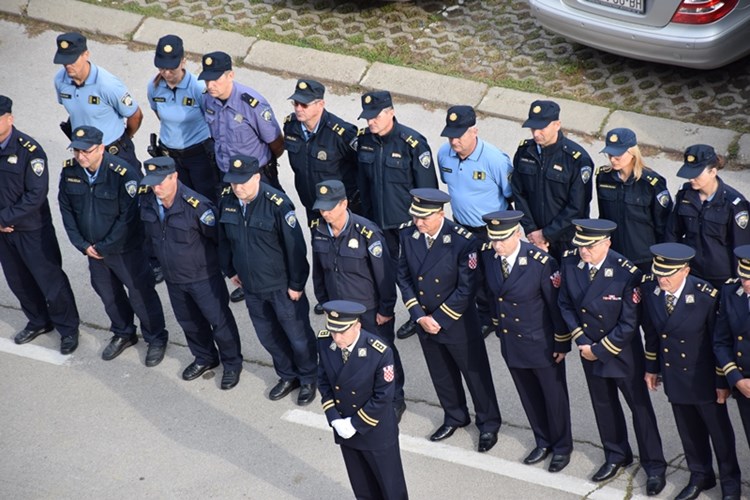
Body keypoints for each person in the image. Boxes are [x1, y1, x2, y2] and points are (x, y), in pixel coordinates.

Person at [557, 219, 667, 495]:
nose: (584, 251)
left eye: (590, 246)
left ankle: (654, 465)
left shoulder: (625, 272)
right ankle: (616, 454)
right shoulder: (571, 263)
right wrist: (581, 340)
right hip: (587, 349)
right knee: (603, 406)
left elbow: (630, 324)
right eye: (581, 245)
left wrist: (598, 349)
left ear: (607, 243)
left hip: (621, 354)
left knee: (640, 410)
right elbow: (565, 304)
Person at [397, 188, 501, 452]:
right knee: (441, 373)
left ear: (440, 214)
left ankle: (488, 424)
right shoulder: (408, 234)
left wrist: (439, 318)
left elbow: (467, 288)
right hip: (425, 321)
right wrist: (419, 317)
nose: (418, 223)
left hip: (457, 323)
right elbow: (404, 277)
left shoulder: (462, 241)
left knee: (475, 375)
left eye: (424, 218)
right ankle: (455, 415)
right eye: (415, 216)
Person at [58, 125, 168, 365]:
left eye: (86, 151)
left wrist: (104, 246)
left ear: (101, 148)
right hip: (93, 250)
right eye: (76, 151)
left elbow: (128, 217)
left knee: (141, 294)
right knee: (108, 294)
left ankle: (156, 337)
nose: (80, 156)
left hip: (125, 250)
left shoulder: (122, 173)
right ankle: (123, 332)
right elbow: (66, 209)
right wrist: (82, 244)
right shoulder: (69, 172)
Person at [642, 243, 741, 500]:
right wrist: (652, 368)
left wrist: (722, 381)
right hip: (674, 374)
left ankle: (730, 483)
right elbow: (653, 334)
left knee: (720, 434)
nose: (661, 279)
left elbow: (717, 341)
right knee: (688, 431)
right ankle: (700, 475)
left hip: (703, 376)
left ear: (685, 271)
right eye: (658, 273)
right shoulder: (653, 292)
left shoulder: (706, 296)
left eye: (667, 274)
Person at [218, 155, 317, 405]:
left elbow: (295, 249)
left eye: (243, 182)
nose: (237, 188)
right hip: (251, 287)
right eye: (233, 183)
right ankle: (287, 375)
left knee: (297, 336)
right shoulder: (227, 201)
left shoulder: (278, 204)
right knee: (268, 336)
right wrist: (230, 270)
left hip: (281, 287)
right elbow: (224, 241)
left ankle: (308, 377)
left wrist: (296, 284)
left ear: (257, 177)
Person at [139, 157, 243, 389]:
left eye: (161, 182)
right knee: (189, 322)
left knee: (219, 322)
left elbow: (218, 240)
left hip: (203, 277)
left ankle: (232, 363)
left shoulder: (198, 207)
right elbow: (149, 236)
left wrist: (229, 270)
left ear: (174, 176)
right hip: (173, 278)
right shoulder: (147, 202)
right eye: (152, 182)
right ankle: (204, 357)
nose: (156, 188)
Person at [480, 210, 572, 472]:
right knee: (529, 396)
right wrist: (498, 329)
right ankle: (542, 441)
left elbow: (555, 307)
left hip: (540, 343)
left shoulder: (540, 262)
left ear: (517, 234)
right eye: (494, 239)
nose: (497, 245)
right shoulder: (490, 257)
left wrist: (561, 342)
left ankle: (562, 447)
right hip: (512, 342)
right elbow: (492, 296)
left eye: (503, 239)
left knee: (553, 398)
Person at [310, 180, 405, 421]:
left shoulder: (367, 231)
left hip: (369, 309)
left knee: (383, 353)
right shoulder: (319, 230)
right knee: (349, 353)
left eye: (330, 207)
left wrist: (386, 308)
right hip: (339, 309)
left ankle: (395, 398)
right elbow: (319, 271)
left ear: (344, 203)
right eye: (322, 208)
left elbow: (384, 274)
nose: (325, 212)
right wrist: (323, 301)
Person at [0, 95, 80, 354]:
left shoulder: (29, 151)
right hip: (3, 231)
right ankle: (38, 320)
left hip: (32, 229)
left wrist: (4, 219)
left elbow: (35, 195)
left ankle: (68, 329)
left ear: (9, 119)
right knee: (18, 280)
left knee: (50, 281)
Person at [357, 90, 438, 340]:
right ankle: (388, 311)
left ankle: (421, 315)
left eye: (376, 116)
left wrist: (422, 223)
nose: (371, 122)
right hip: (379, 222)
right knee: (385, 271)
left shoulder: (411, 143)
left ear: (391, 112)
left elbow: (427, 190)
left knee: (417, 273)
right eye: (367, 117)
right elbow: (363, 185)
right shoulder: (365, 141)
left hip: (409, 224)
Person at [317, 300, 408, 500]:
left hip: (374, 431)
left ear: (357, 326)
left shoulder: (379, 352)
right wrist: (334, 418)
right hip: (345, 430)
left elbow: (384, 396)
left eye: (342, 332)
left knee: (391, 490)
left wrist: (355, 424)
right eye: (333, 331)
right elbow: (324, 383)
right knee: (363, 489)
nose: (337, 338)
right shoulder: (325, 342)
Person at [438, 105, 513, 336]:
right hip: (461, 226)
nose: (453, 141)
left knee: (494, 275)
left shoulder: (495, 160)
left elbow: (510, 195)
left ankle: (498, 316)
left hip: (489, 230)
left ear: (474, 131)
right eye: (450, 135)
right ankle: (480, 313)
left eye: (459, 135)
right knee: (469, 272)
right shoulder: (443, 154)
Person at [511, 100, 593, 261]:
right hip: (535, 237)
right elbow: (518, 193)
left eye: (541, 128)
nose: (535, 134)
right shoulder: (524, 152)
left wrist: (546, 234)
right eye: (533, 128)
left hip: (567, 240)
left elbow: (577, 206)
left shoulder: (577, 159)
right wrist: (531, 231)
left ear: (557, 125)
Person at [53, 32, 143, 170]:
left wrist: (125, 138)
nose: (67, 65)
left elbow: (135, 115)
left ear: (86, 55)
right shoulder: (60, 80)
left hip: (114, 151)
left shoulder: (108, 85)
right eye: (64, 60)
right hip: (84, 152)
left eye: (72, 59)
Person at [666, 144, 750, 288]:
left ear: (713, 172)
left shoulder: (734, 204)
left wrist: (738, 284)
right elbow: (673, 232)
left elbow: (741, 247)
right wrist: (672, 266)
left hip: (722, 277)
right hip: (690, 272)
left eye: (696, 174)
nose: (691, 178)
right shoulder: (684, 195)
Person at [146, 35, 219, 202]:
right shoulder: (154, 87)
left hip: (197, 155)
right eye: (162, 68)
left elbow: (211, 120)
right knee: (177, 200)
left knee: (205, 199)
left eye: (172, 68)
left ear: (183, 61)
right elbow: (159, 115)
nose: (166, 73)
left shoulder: (198, 88)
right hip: (169, 155)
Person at [199, 51, 284, 191]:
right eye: (207, 80)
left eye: (216, 79)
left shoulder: (252, 105)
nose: (210, 85)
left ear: (230, 75)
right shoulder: (207, 99)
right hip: (225, 172)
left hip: (254, 176)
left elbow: (277, 143)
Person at [283, 78, 359, 224]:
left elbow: (361, 167)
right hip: (312, 205)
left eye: (304, 104)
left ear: (321, 104)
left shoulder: (341, 133)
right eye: (295, 103)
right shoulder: (291, 127)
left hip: (338, 208)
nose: (298, 108)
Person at [595, 128, 672, 273]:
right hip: (613, 254)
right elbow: (603, 217)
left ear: (632, 153)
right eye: (610, 154)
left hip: (644, 257)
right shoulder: (603, 177)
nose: (612, 159)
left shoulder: (651, 183)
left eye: (618, 154)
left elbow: (663, 224)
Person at [714, 245, 750, 453]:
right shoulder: (731, 292)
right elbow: (721, 341)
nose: (745, 283)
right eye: (743, 277)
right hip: (744, 384)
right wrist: (736, 379)